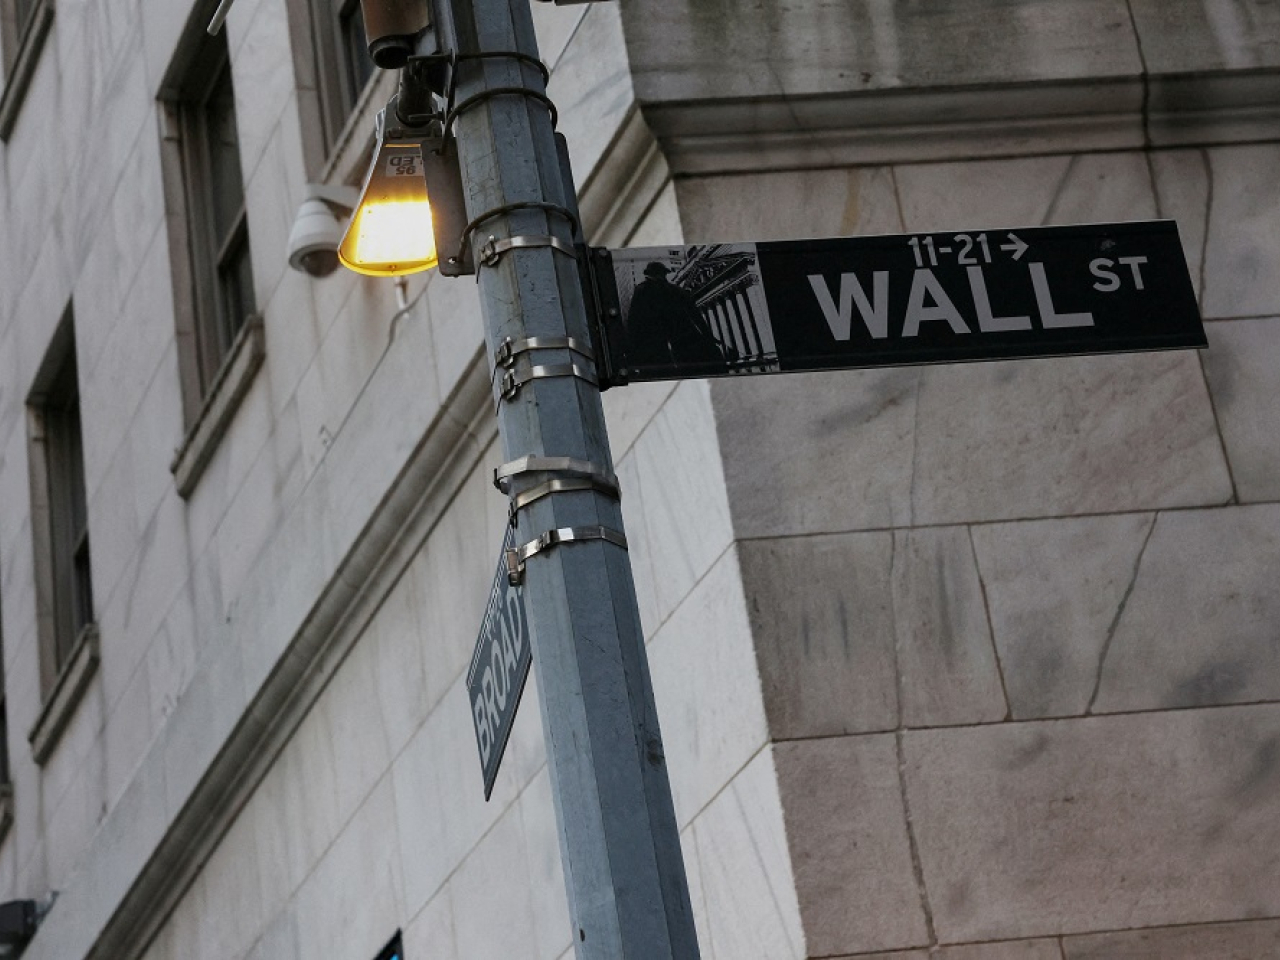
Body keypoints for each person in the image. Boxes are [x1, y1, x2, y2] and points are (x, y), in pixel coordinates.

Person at [624, 261, 730, 374]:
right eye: (661, 273)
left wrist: (632, 347)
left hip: (662, 343)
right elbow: (695, 315)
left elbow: (634, 321)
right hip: (678, 340)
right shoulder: (675, 290)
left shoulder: (643, 290)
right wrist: (708, 335)